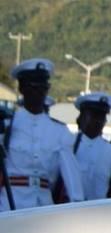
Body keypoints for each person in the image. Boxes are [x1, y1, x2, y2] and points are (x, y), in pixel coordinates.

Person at [2, 59, 81, 209]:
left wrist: (77, 205)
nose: (38, 92)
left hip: (43, 205)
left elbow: (71, 175)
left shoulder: (59, 131)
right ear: (22, 88)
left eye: (42, 87)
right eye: (32, 87)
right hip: (9, 202)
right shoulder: (7, 125)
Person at [70, 92, 111, 200]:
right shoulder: (69, 145)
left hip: (99, 208)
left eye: (102, 117)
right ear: (81, 118)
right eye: (93, 116)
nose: (98, 121)